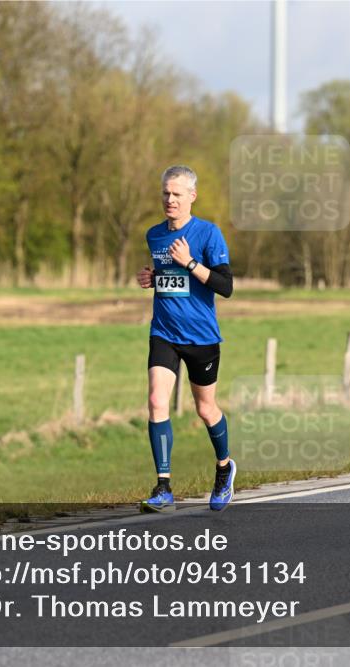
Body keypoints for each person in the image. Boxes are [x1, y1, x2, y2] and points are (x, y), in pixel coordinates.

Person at [136, 165, 236, 511]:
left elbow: (226, 286)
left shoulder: (208, 233)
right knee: (156, 400)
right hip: (164, 332)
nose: (170, 199)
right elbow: (170, 277)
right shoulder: (154, 235)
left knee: (205, 409)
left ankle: (224, 468)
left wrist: (190, 262)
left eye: (177, 194)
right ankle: (163, 488)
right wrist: (153, 278)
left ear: (192, 196)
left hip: (201, 336)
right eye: (166, 193)